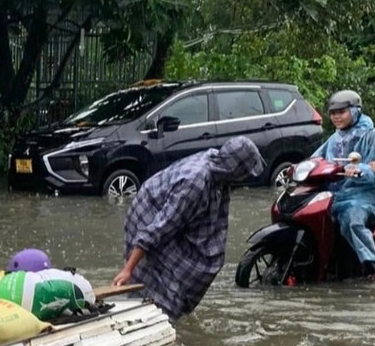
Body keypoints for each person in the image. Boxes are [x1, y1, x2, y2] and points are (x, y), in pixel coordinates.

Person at [112, 136, 265, 320]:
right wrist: (128, 268)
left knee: (175, 277)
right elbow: (160, 227)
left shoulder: (216, 163)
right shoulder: (196, 182)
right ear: (235, 169)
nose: (246, 177)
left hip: (164, 213)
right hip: (148, 216)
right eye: (245, 172)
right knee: (163, 285)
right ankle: (150, 317)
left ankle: (158, 312)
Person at [311, 90, 375, 277]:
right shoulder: (335, 138)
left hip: (365, 196)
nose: (336, 117)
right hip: (337, 195)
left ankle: (372, 265)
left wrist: (361, 169)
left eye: (342, 112)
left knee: (353, 219)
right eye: (333, 113)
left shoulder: (371, 135)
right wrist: (299, 167)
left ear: (355, 111)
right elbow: (317, 157)